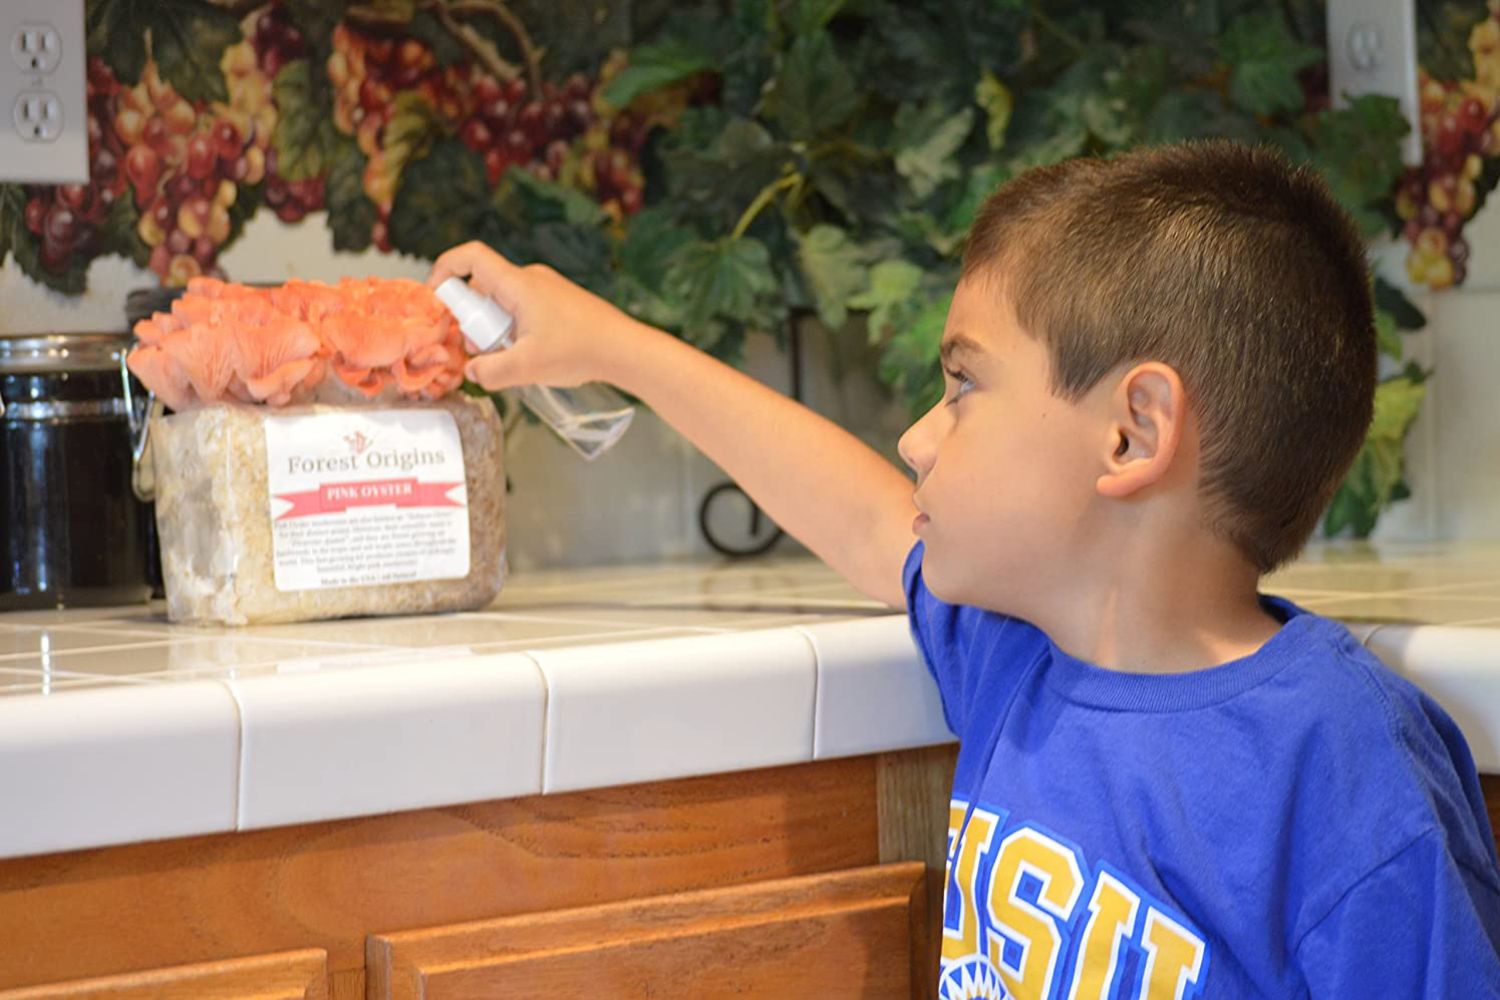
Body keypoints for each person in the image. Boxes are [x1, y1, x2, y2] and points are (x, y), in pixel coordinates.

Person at [429, 139, 1500, 998]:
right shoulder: (1014, 654)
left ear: (1133, 432)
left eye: (963, 386)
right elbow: (859, 516)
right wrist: (612, 344)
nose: (918, 438)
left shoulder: (1344, 768)